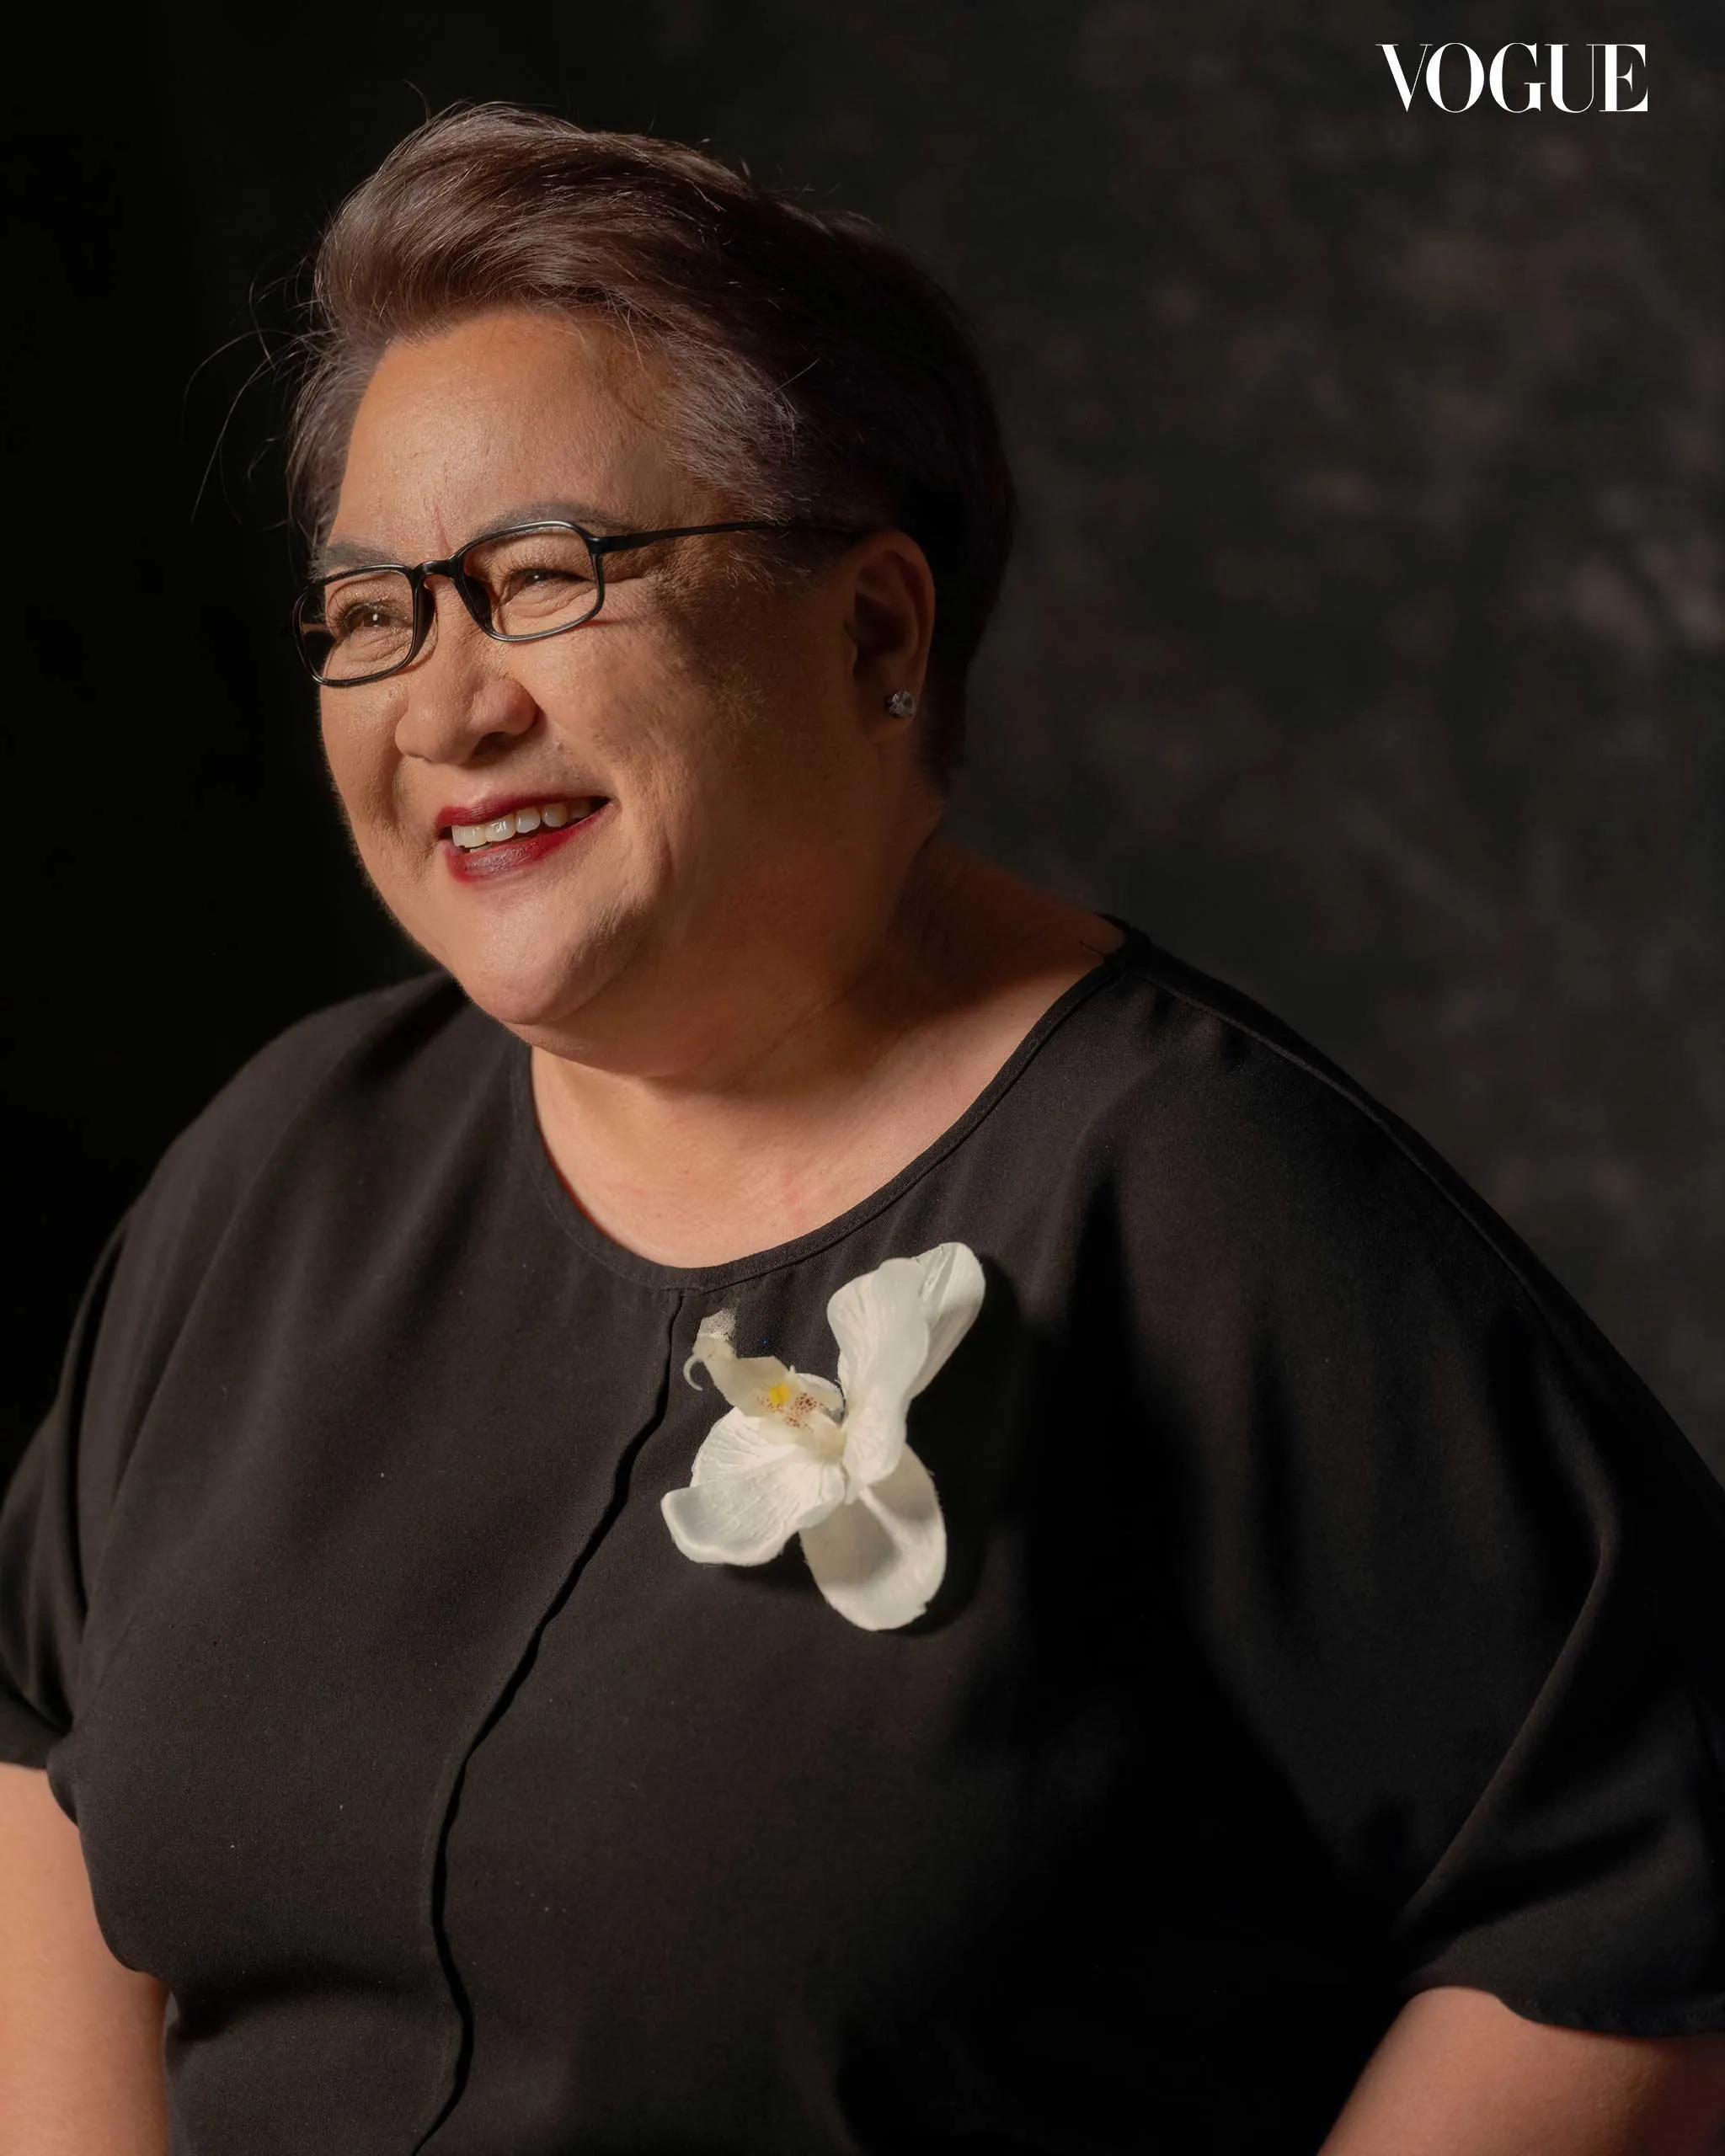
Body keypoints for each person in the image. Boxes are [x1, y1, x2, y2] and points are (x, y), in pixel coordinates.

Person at [2, 103, 1723, 2156]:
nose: (443, 707)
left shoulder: (1202, 1201)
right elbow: (48, 1749)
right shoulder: (283, 1166)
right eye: (373, 612)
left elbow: (1638, 1896)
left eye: (541, 576)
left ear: (876, 632)